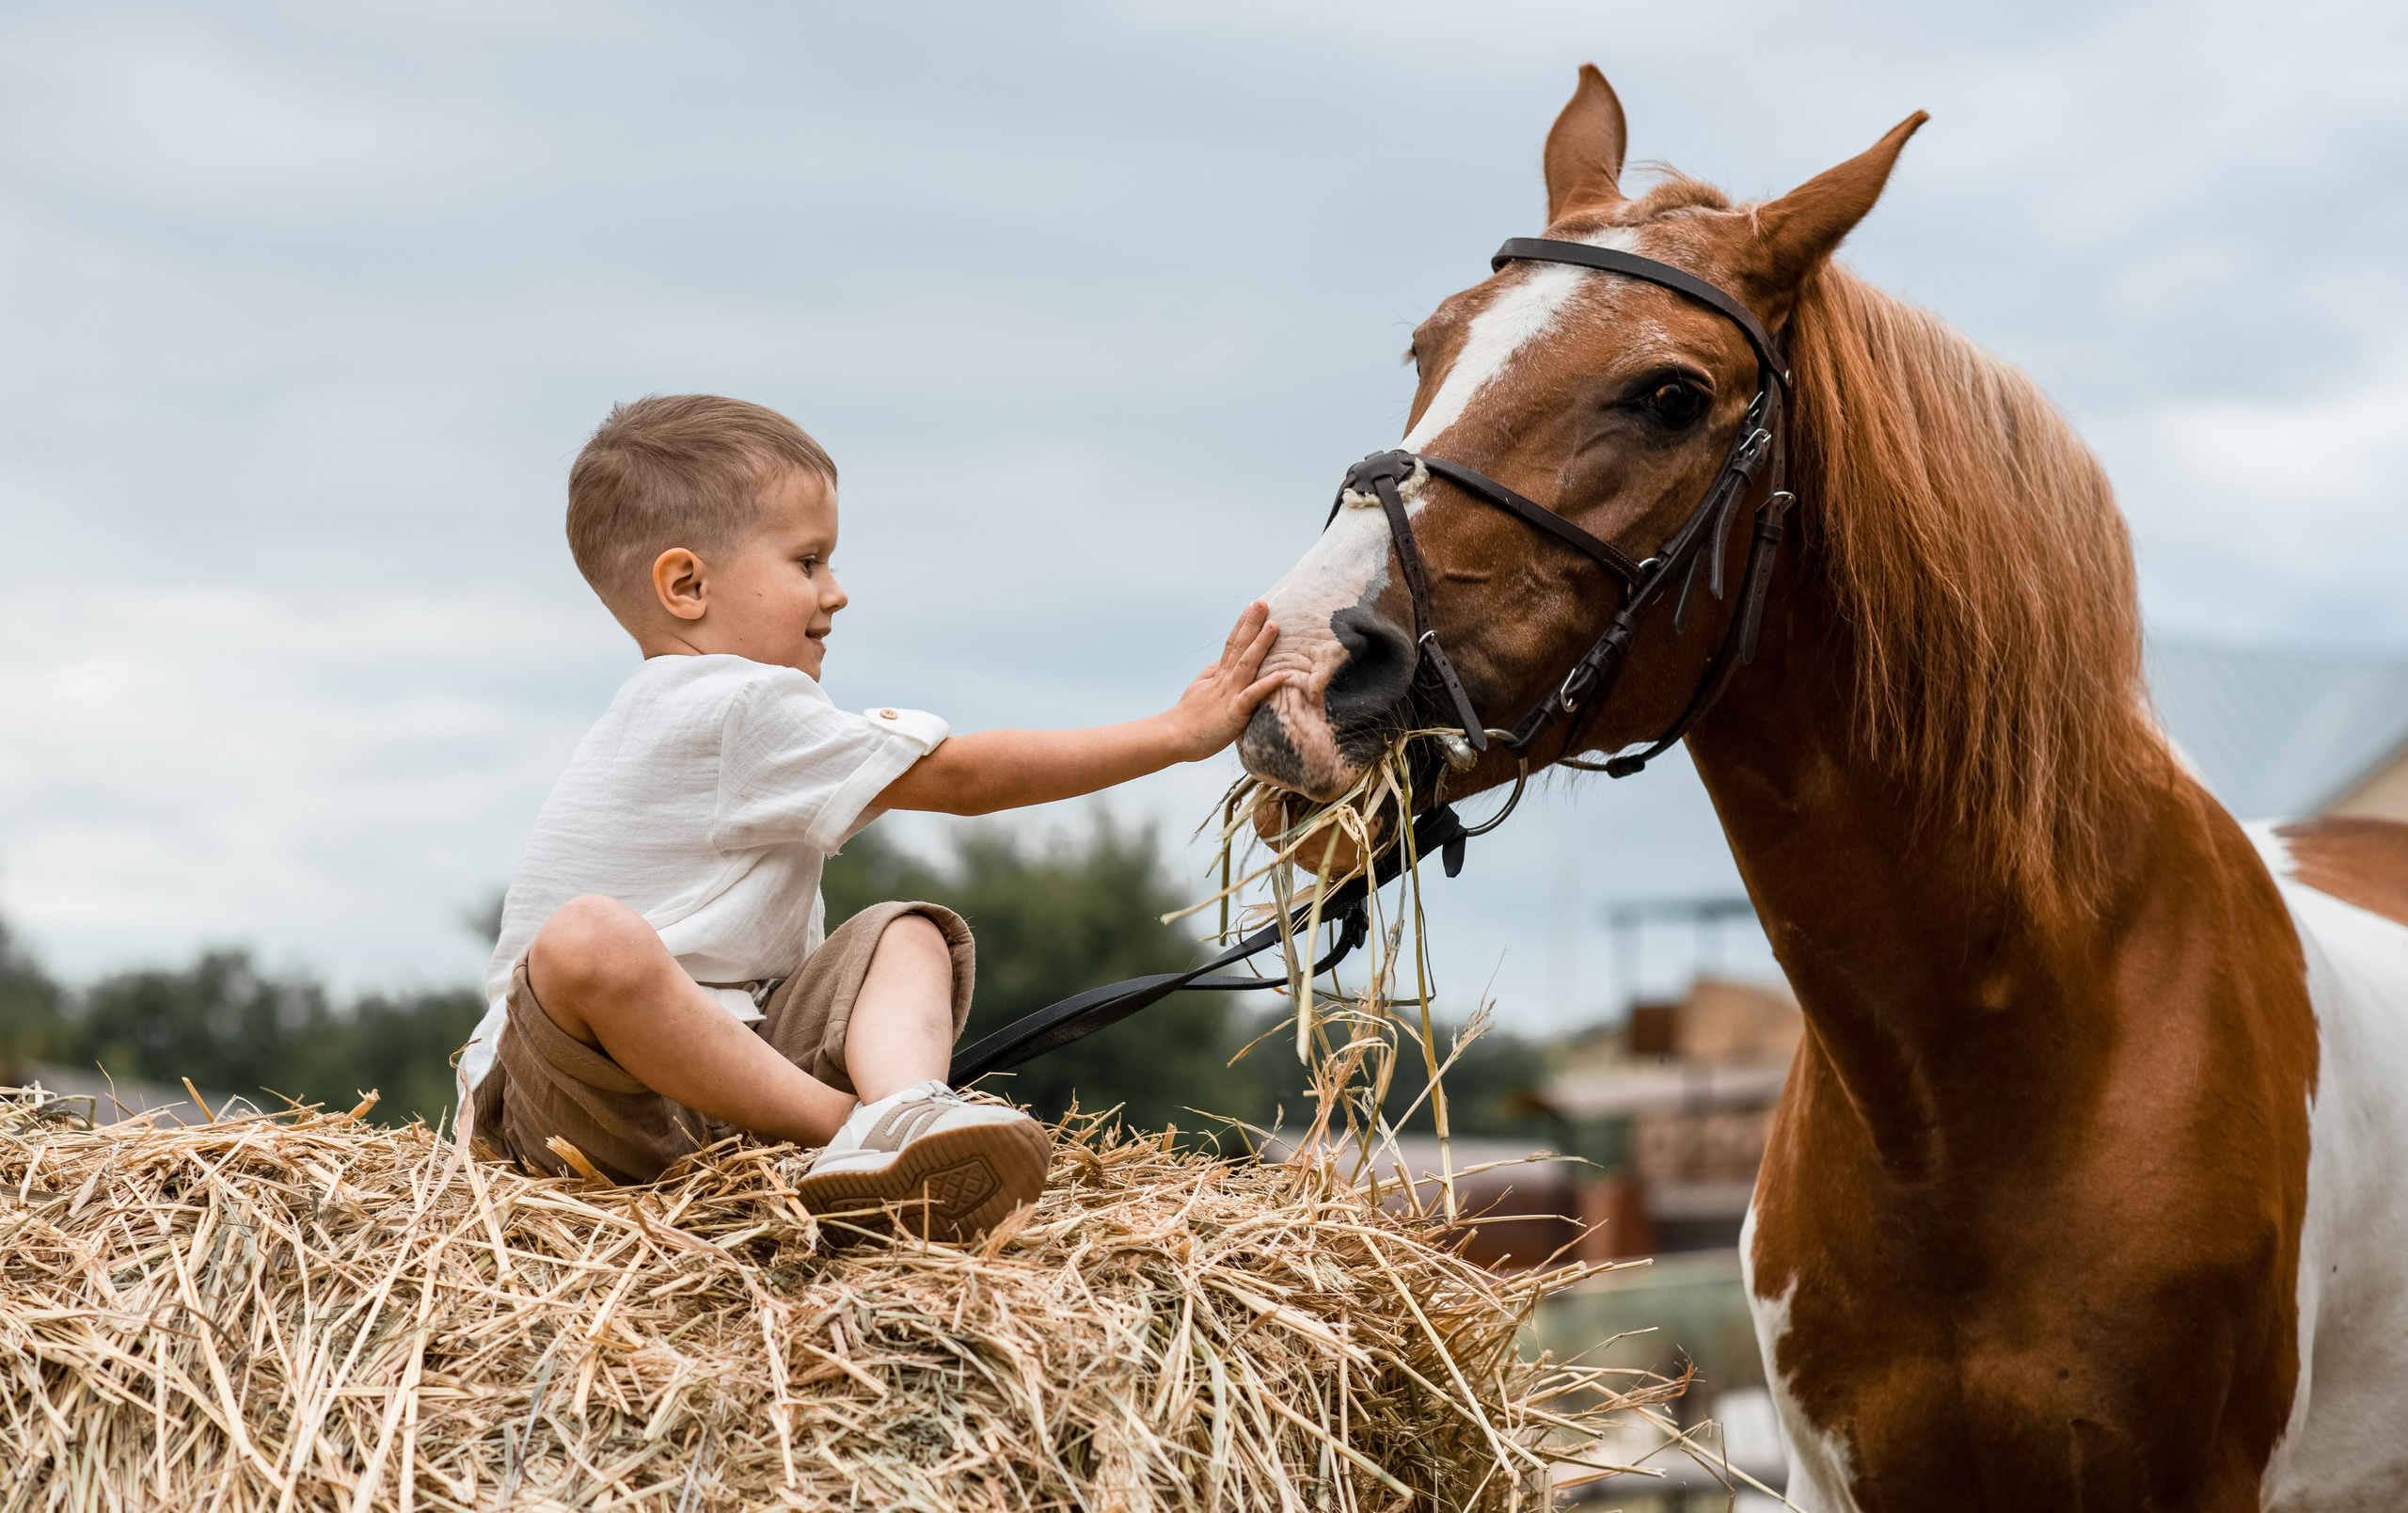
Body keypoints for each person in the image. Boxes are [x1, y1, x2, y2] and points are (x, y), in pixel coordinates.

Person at [456, 394, 1282, 1240]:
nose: (837, 592)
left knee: (902, 930)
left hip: (724, 1094)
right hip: (564, 1114)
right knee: (589, 939)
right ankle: (856, 1130)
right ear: (687, 586)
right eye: (808, 561)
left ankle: (907, 1116)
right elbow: (960, 779)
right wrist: (1175, 735)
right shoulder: (729, 702)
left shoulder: (716, 713)